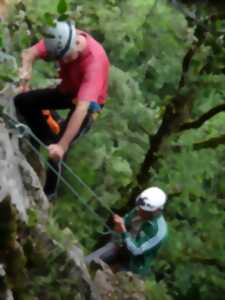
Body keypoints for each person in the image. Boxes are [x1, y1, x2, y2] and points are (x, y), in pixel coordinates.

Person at [14, 21, 110, 197]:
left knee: (59, 150)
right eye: (60, 58)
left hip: (89, 104)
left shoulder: (94, 63)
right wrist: (24, 78)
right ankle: (46, 138)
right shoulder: (59, 37)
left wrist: (61, 146)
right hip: (68, 88)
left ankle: (48, 193)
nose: (63, 61)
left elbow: (82, 108)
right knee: (23, 101)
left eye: (66, 57)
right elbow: (29, 54)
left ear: (77, 45)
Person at [85, 187, 168, 277]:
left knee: (108, 282)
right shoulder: (139, 208)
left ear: (155, 211)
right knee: (87, 262)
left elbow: (137, 250)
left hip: (133, 265)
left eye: (144, 211)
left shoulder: (158, 232)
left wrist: (123, 230)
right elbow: (125, 221)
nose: (139, 210)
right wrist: (119, 225)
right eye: (140, 208)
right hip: (119, 246)